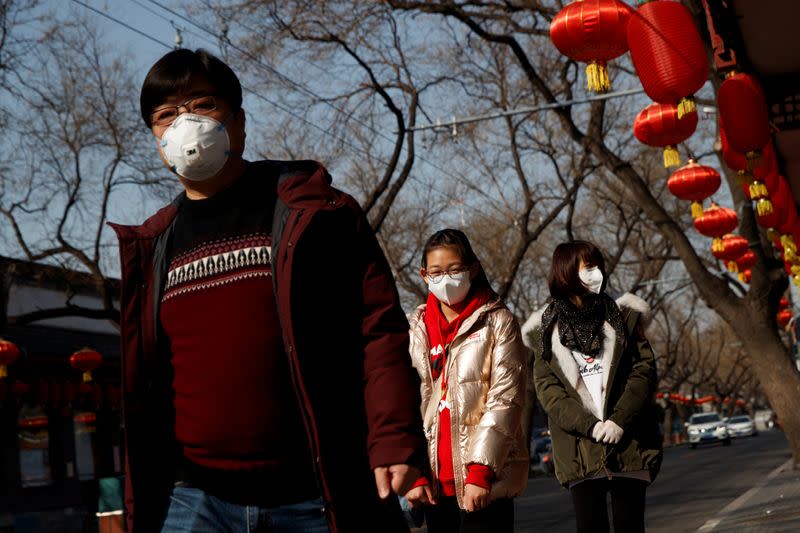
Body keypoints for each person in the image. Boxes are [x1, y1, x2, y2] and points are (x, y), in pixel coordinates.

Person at [109, 48, 426, 533]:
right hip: (195, 501)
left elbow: (378, 332)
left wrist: (393, 437)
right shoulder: (152, 247)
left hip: (316, 495)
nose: (185, 124)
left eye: (202, 106)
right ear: (156, 139)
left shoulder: (318, 214)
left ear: (238, 122)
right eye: (166, 115)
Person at [523, 240, 662, 533]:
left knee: (631, 525)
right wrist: (590, 425)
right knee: (590, 526)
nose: (595, 274)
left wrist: (619, 421)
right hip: (579, 449)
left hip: (629, 443)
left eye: (597, 266)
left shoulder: (624, 315)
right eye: (587, 268)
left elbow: (643, 371)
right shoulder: (544, 330)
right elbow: (548, 391)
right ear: (564, 273)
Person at [404, 229, 529, 533]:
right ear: (424, 275)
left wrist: (480, 473)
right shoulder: (414, 329)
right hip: (432, 486)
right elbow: (404, 402)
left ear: (472, 269)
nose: (445, 279)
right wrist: (413, 472)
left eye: (454, 270)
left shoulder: (498, 321)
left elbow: (505, 399)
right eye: (436, 272)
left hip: (484, 485)